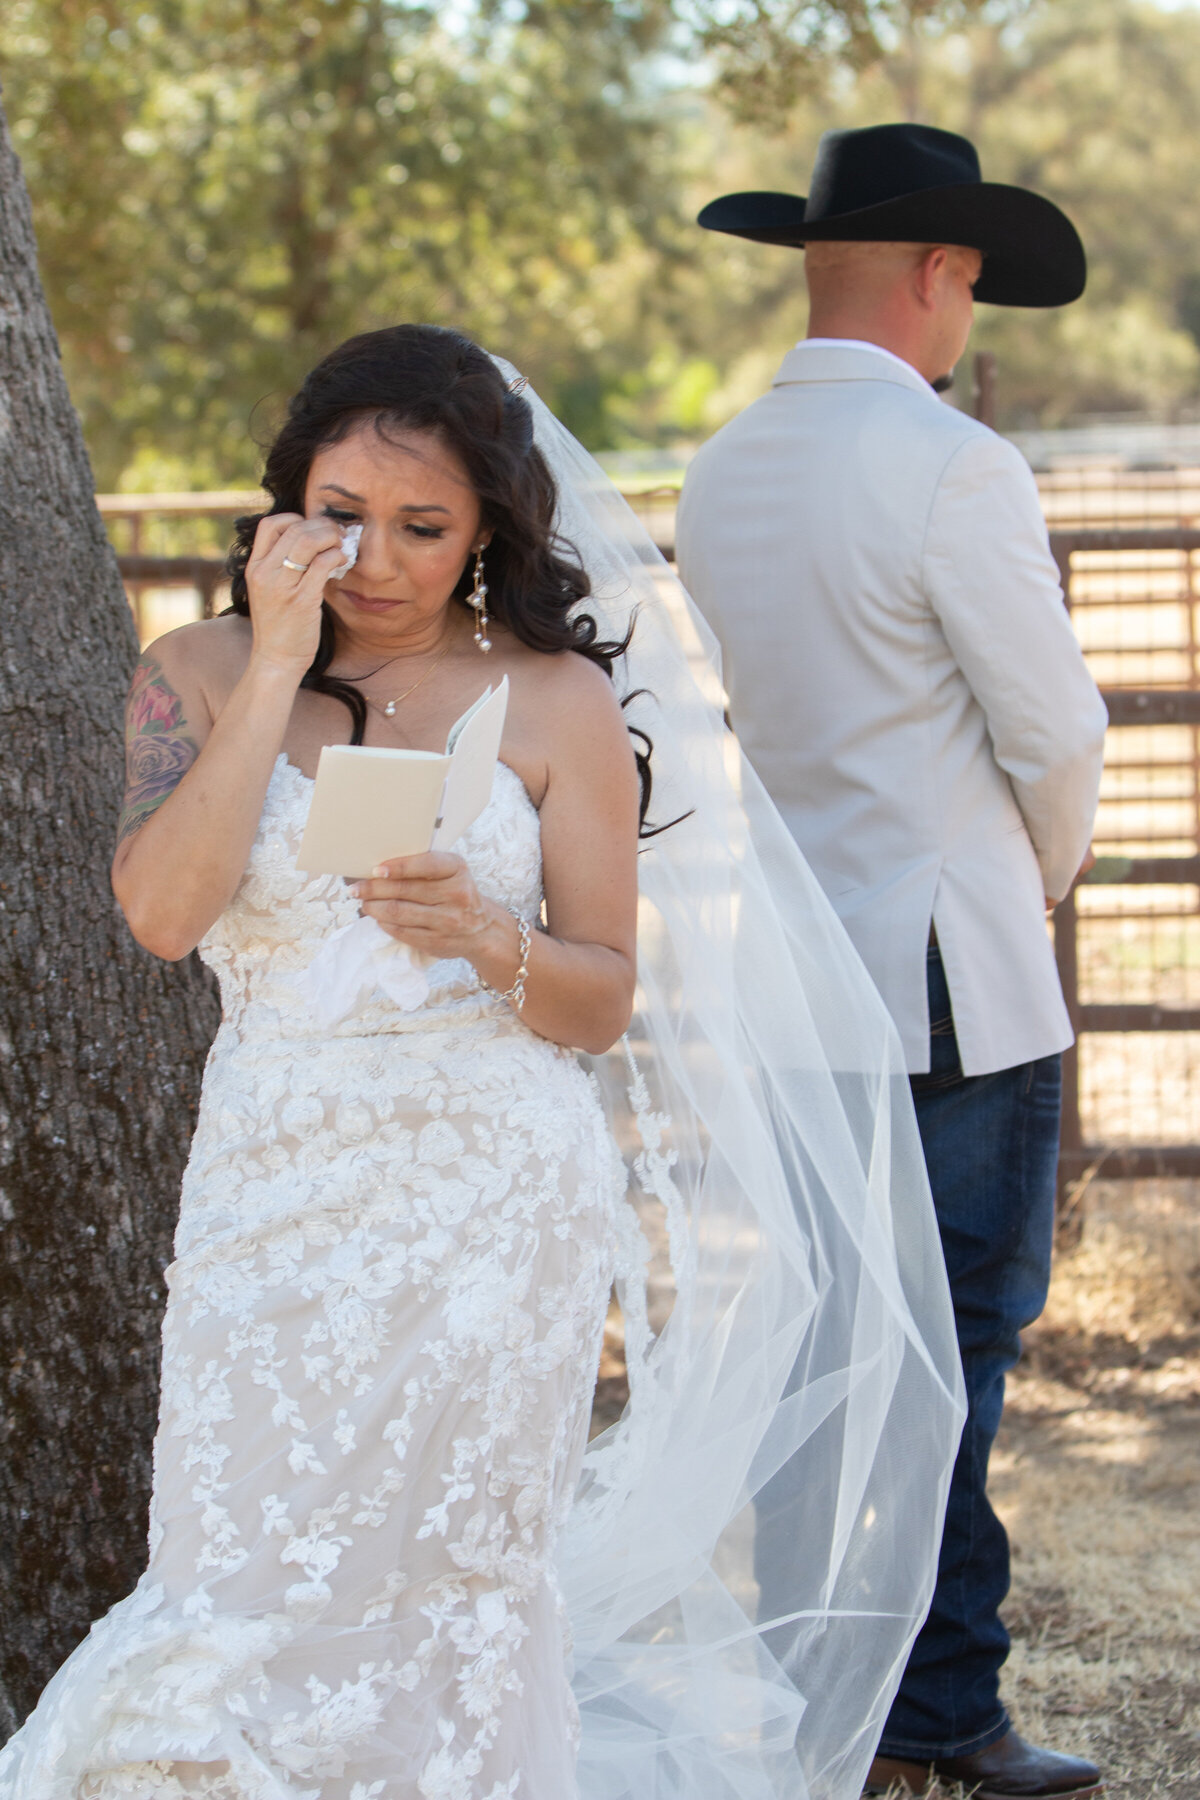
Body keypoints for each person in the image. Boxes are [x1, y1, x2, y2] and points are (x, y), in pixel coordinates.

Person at [0, 324, 963, 1800]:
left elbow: (602, 999)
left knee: (450, 1581)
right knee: (237, 1562)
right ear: (284, 509)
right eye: (338, 514)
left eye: (421, 526)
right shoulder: (191, 672)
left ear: (485, 537)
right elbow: (161, 911)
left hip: (492, 1200)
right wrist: (272, 671)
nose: (372, 556)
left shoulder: (556, 701)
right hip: (274, 1186)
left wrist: (485, 941)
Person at [677, 124, 1109, 1800]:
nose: (966, 309)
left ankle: (820, 1693)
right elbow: (1054, 734)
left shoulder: (727, 465)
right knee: (961, 1349)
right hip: (946, 966)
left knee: (825, 1341)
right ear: (940, 272)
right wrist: (1037, 878)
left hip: (790, 968)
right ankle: (936, 1712)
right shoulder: (952, 465)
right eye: (972, 281)